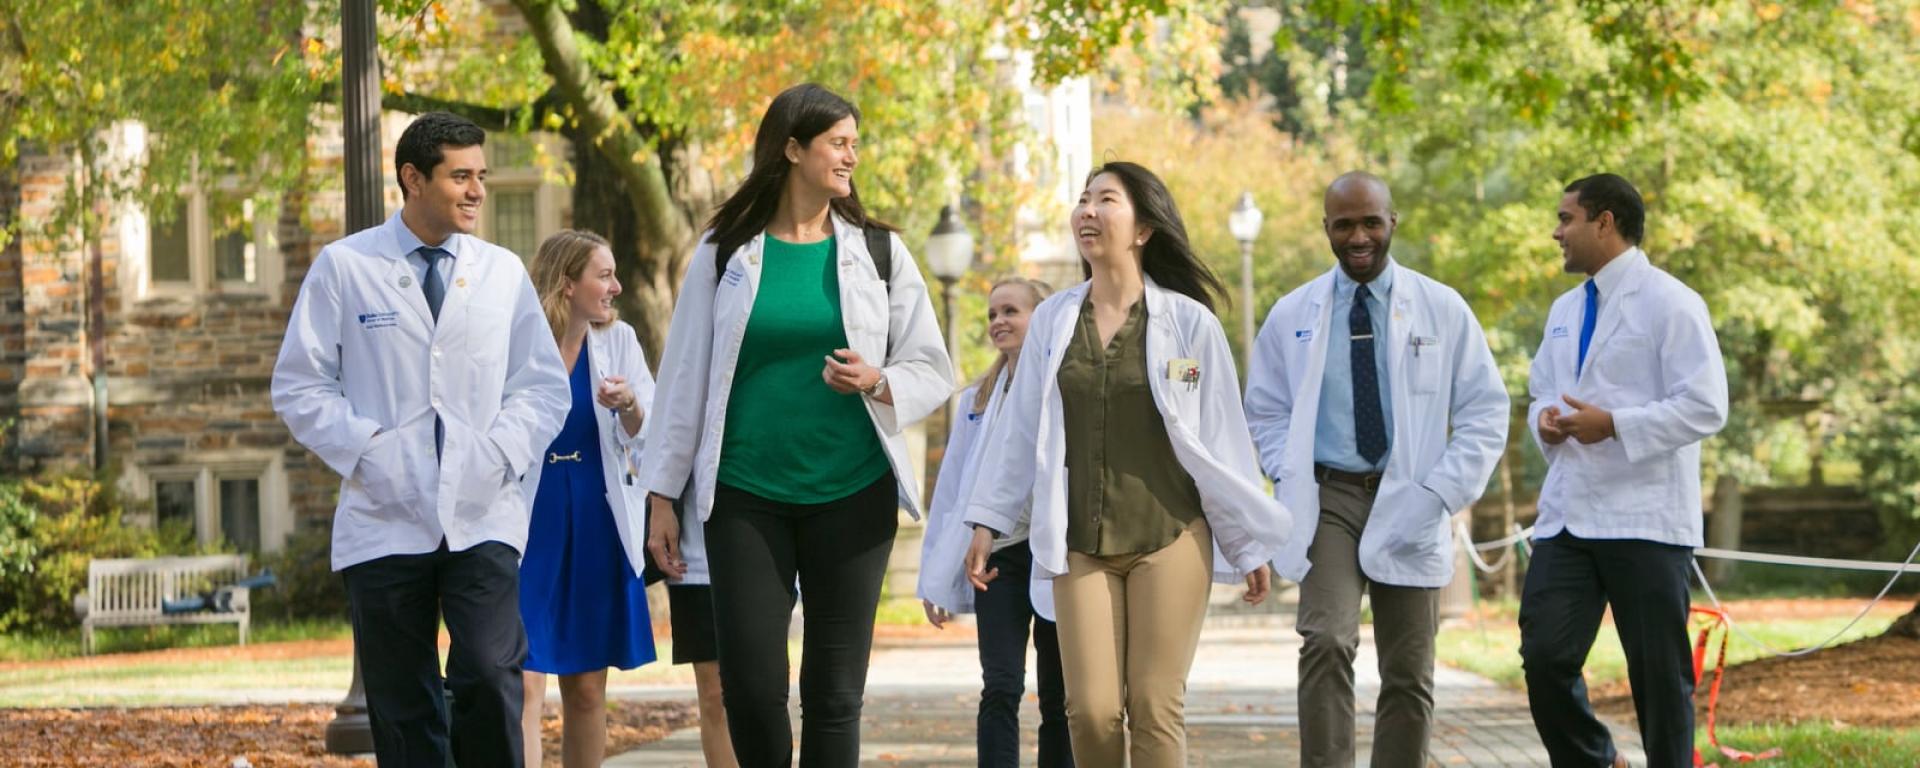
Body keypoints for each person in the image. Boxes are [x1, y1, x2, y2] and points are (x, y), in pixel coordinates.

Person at [639, 82, 953, 767]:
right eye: (838, 143)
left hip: (853, 492)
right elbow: (683, 375)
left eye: (855, 145)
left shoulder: (879, 252)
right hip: (747, 496)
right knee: (750, 688)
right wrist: (662, 494)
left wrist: (879, 379)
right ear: (791, 148)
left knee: (835, 696)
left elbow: (934, 365)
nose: (851, 157)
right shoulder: (726, 253)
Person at [962, 161, 1288, 768]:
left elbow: (1222, 443)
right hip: (1080, 542)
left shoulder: (1190, 326)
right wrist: (987, 519)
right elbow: (1018, 431)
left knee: (1155, 706)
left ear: (1142, 228)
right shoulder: (1054, 321)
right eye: (1083, 200)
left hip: (1171, 538)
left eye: (1106, 200)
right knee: (1089, 711)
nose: (1087, 211)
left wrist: (1247, 545)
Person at [271, 111, 569, 768]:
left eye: (480, 176)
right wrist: (371, 452)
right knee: (403, 704)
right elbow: (299, 386)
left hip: (481, 511)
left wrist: (497, 454)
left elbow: (544, 387)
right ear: (413, 178)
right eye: (459, 176)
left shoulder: (502, 272)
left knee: (491, 676)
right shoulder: (345, 268)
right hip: (384, 515)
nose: (477, 191)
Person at [1243, 172, 1510, 767]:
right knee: (1326, 639)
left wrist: (1440, 491)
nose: (1358, 236)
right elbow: (1262, 407)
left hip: (1412, 494)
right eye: (1344, 225)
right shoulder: (1294, 314)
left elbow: (1486, 411)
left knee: (1410, 672)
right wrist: (1283, 472)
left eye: (1370, 222)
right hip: (1329, 498)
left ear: (1393, 222)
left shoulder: (1441, 308)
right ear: (1327, 230)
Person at [1520, 173, 1729, 768]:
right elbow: (1542, 390)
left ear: (1604, 222)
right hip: (1569, 519)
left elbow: (1707, 405)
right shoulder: (1564, 309)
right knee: (1544, 656)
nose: (1557, 232)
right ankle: (1595, 758)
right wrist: (1546, 420)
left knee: (1660, 681)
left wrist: (1615, 424)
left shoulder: (1673, 302)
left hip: (1646, 520)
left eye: (1567, 219)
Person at [514, 229, 657, 768]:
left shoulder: (619, 341)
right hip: (531, 519)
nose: (616, 286)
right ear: (567, 283)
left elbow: (650, 431)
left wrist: (628, 405)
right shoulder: (519, 343)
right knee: (524, 682)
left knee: (587, 689)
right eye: (604, 275)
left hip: (598, 518)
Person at [918, 277, 1072, 768]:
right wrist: (935, 577)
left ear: (1041, 318)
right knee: (1000, 685)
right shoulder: (976, 401)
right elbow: (952, 494)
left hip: (1056, 555)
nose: (998, 322)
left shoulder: (1066, 385)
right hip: (998, 558)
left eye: (1011, 311)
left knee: (1060, 696)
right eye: (991, 314)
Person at [650, 482, 739, 768]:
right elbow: (655, 447)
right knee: (714, 695)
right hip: (694, 562)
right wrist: (660, 507)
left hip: (766, 552)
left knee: (759, 692)